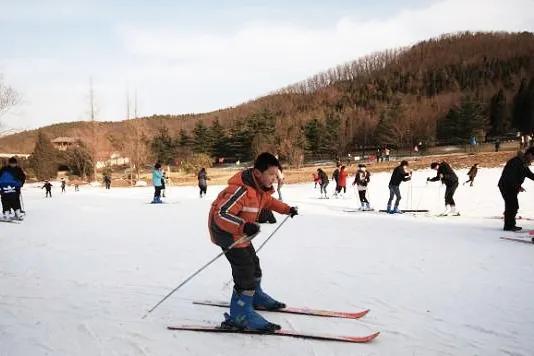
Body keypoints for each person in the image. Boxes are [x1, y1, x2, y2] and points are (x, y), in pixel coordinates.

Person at [208, 152, 298, 331]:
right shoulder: (240, 190)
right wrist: (243, 226)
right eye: (271, 174)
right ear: (257, 173)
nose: (275, 178)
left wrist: (287, 209)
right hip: (226, 233)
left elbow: (270, 202)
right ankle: (240, 316)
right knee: (245, 271)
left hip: (240, 233)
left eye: (276, 174)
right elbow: (221, 214)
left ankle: (255, 296)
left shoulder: (259, 190)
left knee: (254, 265)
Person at [498, 147, 534, 231]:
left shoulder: (523, 162)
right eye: (533, 157)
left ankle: (510, 224)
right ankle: (508, 226)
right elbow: (510, 177)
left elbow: (529, 174)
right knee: (512, 205)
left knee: (512, 205)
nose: (533, 159)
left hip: (512, 186)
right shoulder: (516, 162)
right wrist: (518, 186)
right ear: (529, 154)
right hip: (506, 185)